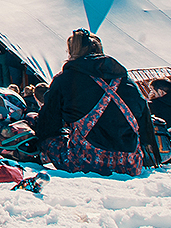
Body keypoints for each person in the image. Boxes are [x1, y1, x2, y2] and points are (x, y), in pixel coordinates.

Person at [35, 30, 158, 175]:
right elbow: (144, 124)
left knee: (48, 141)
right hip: (129, 163)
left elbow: (48, 123)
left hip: (87, 161)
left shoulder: (66, 79)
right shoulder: (127, 81)